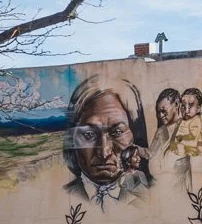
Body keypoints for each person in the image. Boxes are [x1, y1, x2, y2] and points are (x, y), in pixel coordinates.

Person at [63, 77, 151, 207]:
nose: (104, 152)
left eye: (117, 132)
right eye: (89, 134)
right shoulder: (63, 197)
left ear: (134, 133)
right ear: (73, 138)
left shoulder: (149, 190)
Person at [171, 87, 202, 157]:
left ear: (198, 108)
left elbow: (193, 136)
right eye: (183, 106)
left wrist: (181, 138)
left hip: (193, 148)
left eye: (190, 106)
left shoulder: (196, 120)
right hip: (183, 147)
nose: (186, 111)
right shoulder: (181, 120)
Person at [153, 88, 182, 155]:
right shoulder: (161, 131)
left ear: (176, 104)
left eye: (163, 111)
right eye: (158, 112)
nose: (161, 115)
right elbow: (151, 153)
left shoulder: (187, 125)